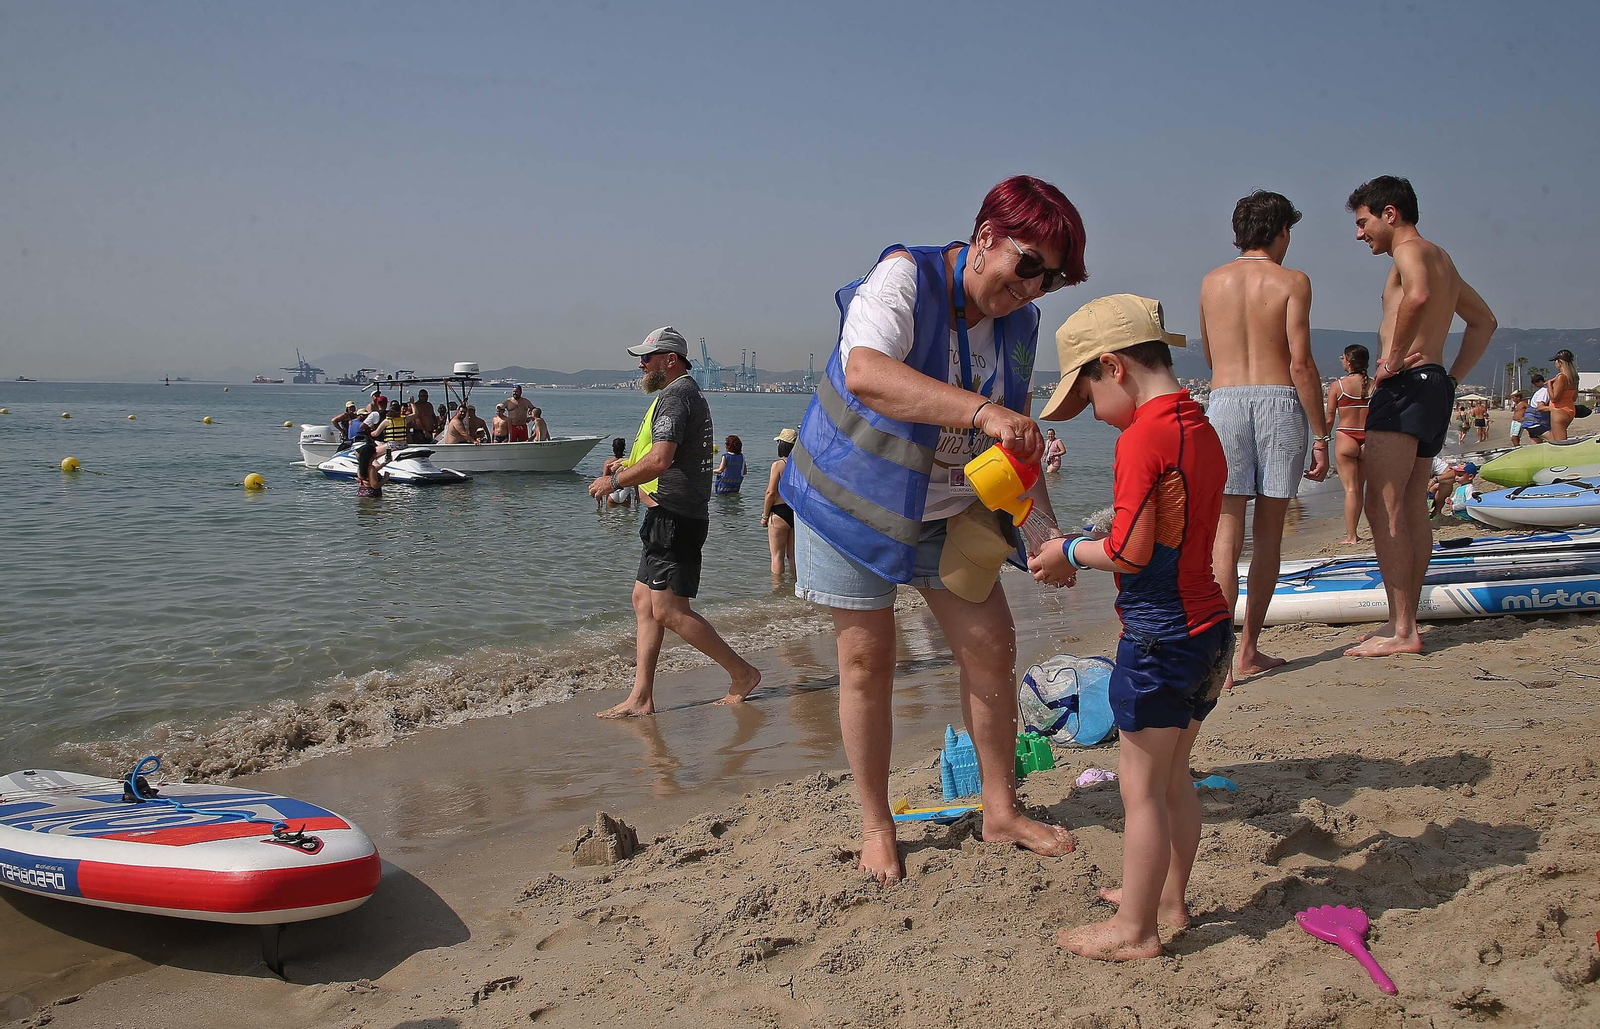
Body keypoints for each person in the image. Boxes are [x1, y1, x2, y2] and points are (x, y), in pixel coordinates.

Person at [779, 175, 1087, 882]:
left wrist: (1047, 533)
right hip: (850, 502)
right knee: (867, 661)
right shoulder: (902, 279)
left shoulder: (1020, 325)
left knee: (990, 645)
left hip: (949, 510)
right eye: (1028, 261)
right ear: (985, 237)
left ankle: (1001, 808)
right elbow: (864, 372)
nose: (1034, 285)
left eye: (1053, 277)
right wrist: (978, 412)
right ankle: (877, 823)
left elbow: (1015, 438)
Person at [1028, 294, 1232, 962]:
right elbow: (1170, 527)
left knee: (1141, 791)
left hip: (1157, 638)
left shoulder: (1143, 436)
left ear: (1112, 366)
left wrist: (1068, 552)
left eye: (1087, 395)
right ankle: (1167, 900)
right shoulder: (1197, 424)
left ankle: (1137, 929)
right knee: (1176, 779)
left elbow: (1131, 552)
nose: (1091, 414)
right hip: (1207, 630)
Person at [1344, 175, 1496, 658]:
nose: (1359, 234)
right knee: (1410, 504)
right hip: (1432, 388)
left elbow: (1420, 298)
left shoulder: (1410, 252)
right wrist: (1451, 376)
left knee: (1380, 505)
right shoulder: (1442, 259)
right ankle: (1403, 621)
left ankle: (1403, 627)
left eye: (1363, 222)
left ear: (1390, 213)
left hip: (1406, 386)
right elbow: (1484, 321)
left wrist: (1390, 359)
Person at [588, 326, 760, 717]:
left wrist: (612, 480)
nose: (641, 364)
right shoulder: (677, 394)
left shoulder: (678, 395)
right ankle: (642, 696)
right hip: (663, 515)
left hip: (676, 517)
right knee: (643, 602)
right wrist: (629, 464)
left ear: (671, 360)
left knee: (669, 611)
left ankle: (743, 673)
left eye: (647, 357)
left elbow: (662, 459)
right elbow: (664, 456)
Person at [1201, 190, 1329, 685]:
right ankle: (1249, 650)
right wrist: (1321, 432)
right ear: (1280, 232)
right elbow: (1301, 363)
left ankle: (1219, 659)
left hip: (1226, 400)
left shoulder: (1211, 282)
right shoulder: (1293, 281)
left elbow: (1211, 354)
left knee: (1225, 540)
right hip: (1278, 400)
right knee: (1270, 535)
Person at [1325, 344, 1371, 545]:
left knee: (1351, 490)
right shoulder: (1375, 384)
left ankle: (1352, 536)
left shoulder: (1338, 386)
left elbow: (1328, 419)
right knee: (1363, 488)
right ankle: (1375, 528)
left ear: (1349, 361)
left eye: (1342, 358)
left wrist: (1322, 441)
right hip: (1368, 438)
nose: (1341, 361)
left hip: (1346, 437)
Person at [761, 429, 798, 579]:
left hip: (779, 513)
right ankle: (795, 588)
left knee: (777, 556)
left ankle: (778, 590)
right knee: (793, 556)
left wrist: (764, 516)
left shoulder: (778, 465)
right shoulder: (800, 465)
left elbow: (770, 493)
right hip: (795, 512)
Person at [1547, 349, 1580, 441]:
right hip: (1570, 409)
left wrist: (1549, 384)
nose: (1555, 364)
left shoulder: (1561, 377)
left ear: (1559, 362)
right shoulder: (1574, 378)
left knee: (1559, 443)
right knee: (1553, 439)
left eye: (1555, 361)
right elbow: (1574, 397)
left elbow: (1554, 398)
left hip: (1559, 411)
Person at [600, 438, 633, 506]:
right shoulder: (628, 462)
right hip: (625, 493)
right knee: (626, 516)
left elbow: (604, 480)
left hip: (612, 494)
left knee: (609, 516)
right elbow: (634, 479)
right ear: (624, 448)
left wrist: (600, 494)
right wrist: (637, 495)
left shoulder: (608, 463)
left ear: (613, 448)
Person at [1524, 374, 1551, 442]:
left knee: (1536, 447)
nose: (1535, 385)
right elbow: (1540, 408)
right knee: (1554, 440)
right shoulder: (1544, 391)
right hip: (1535, 424)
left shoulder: (1540, 391)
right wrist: (1556, 409)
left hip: (1530, 423)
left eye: (1536, 383)